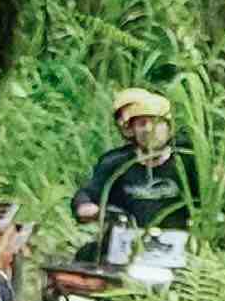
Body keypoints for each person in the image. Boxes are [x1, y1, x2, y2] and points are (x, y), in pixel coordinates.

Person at [72, 89, 191, 245]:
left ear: (169, 127)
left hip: (178, 244)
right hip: (126, 242)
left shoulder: (187, 160)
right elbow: (89, 192)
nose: (148, 129)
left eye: (155, 122)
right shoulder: (116, 163)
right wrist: (87, 207)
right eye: (141, 123)